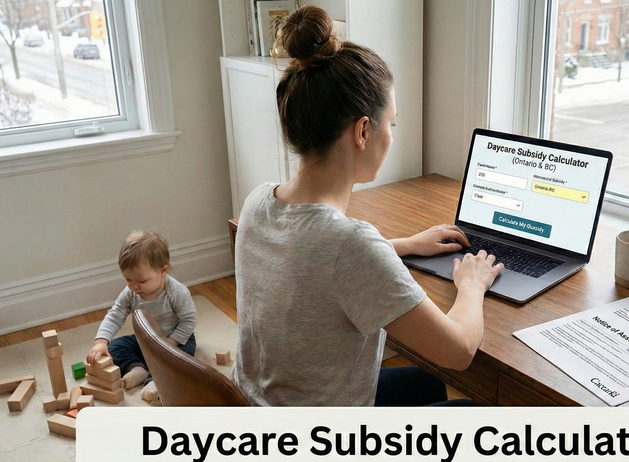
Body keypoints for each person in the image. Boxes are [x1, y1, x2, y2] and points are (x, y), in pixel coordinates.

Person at [233, 5, 503, 407]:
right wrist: (472, 284)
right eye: (391, 123)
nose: (391, 135)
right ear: (363, 131)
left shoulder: (259, 201)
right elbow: (459, 351)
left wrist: (403, 244)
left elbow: (314, 260)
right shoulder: (349, 245)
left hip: (262, 408)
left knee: (426, 385)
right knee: (473, 409)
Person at [86, 231, 197, 404]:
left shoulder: (177, 292)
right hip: (145, 341)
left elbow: (189, 321)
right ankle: (137, 369)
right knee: (115, 347)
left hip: (175, 341)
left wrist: (171, 343)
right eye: (128, 279)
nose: (133, 285)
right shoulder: (131, 293)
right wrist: (101, 341)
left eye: (141, 281)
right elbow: (115, 315)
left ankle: (154, 382)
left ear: (163, 270)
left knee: (182, 360)